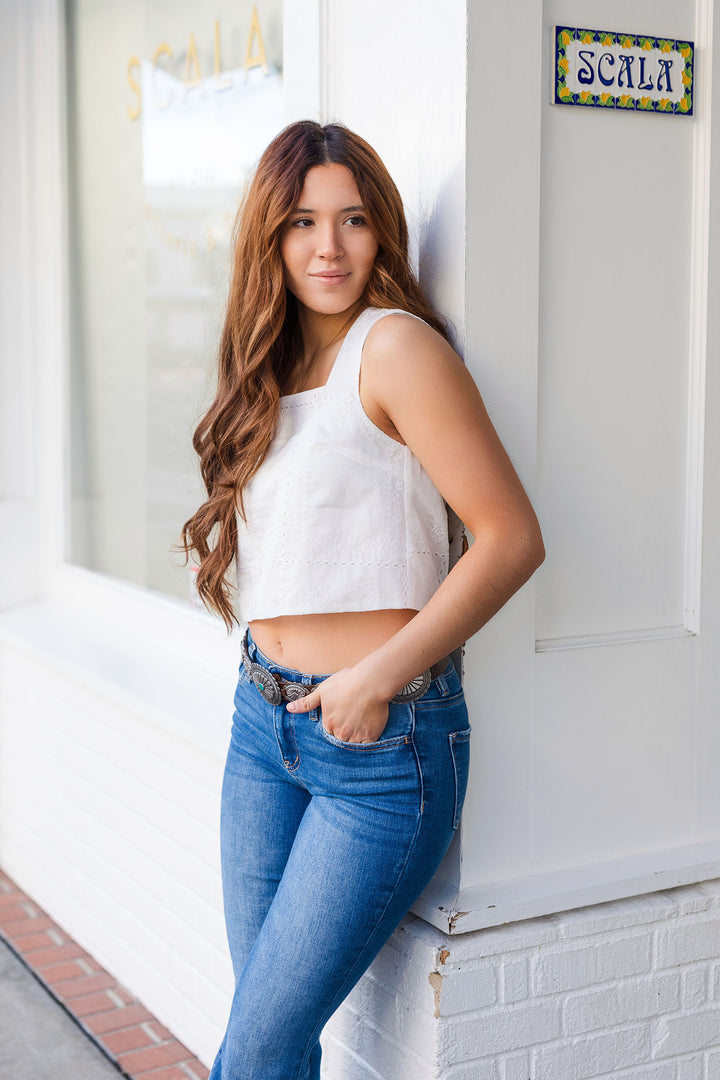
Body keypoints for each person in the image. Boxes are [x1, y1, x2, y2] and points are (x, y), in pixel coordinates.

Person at [180, 119, 545, 1080]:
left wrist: (379, 676)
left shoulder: (395, 350)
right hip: (262, 726)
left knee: (253, 1055)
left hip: (379, 746)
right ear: (271, 237)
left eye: (351, 220)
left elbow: (511, 539)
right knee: (274, 1040)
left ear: (382, 231)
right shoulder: (266, 371)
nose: (328, 247)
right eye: (301, 222)